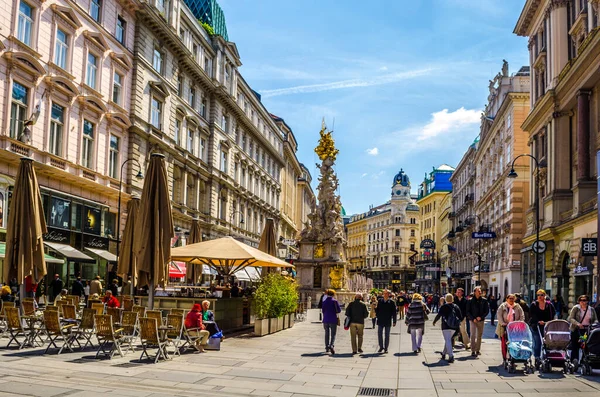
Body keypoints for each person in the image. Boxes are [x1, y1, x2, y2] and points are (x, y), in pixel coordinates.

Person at [568, 294, 599, 364]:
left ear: (587, 301)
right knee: (575, 346)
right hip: (576, 329)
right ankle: (574, 361)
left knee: (584, 345)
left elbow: (595, 319)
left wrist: (594, 324)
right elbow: (571, 318)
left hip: (586, 330)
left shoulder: (591, 309)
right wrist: (578, 324)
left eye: (584, 300)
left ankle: (583, 361)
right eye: (580, 300)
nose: (582, 302)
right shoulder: (576, 308)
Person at [433, 293, 462, 363]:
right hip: (454, 327)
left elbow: (439, 315)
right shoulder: (456, 306)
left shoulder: (443, 307)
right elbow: (460, 317)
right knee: (448, 340)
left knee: (448, 340)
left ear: (445, 299)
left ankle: (451, 356)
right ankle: (443, 353)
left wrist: (434, 321)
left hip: (445, 326)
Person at [496, 294, 524, 365]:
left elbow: (522, 315)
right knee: (504, 343)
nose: (511, 300)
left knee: (515, 343)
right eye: (510, 298)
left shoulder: (517, 306)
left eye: (512, 298)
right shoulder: (503, 306)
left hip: (515, 328)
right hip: (504, 327)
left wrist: (520, 322)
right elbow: (499, 315)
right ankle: (505, 358)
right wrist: (502, 323)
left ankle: (513, 356)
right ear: (507, 299)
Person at [529, 289, 554, 365]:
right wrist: (538, 321)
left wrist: (547, 322)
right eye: (538, 295)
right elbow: (531, 315)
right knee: (538, 343)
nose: (540, 297)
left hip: (547, 326)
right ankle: (537, 358)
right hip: (536, 326)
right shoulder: (534, 305)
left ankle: (546, 357)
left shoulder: (549, 305)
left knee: (547, 343)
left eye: (541, 295)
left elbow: (553, 314)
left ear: (545, 295)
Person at [466, 286, 489, 357]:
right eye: (478, 291)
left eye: (480, 291)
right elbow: (467, 311)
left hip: (481, 320)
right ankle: (473, 350)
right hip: (473, 320)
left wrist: (481, 317)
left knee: (479, 335)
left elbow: (486, 311)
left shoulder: (484, 300)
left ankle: (478, 349)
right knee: (473, 335)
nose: (480, 292)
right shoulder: (470, 301)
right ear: (475, 292)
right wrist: (473, 318)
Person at [321, 289, 341, 355]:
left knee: (326, 334)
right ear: (333, 294)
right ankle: (331, 345)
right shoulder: (335, 301)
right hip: (333, 319)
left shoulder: (324, 301)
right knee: (333, 334)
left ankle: (327, 347)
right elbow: (339, 310)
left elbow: (323, 310)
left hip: (326, 319)